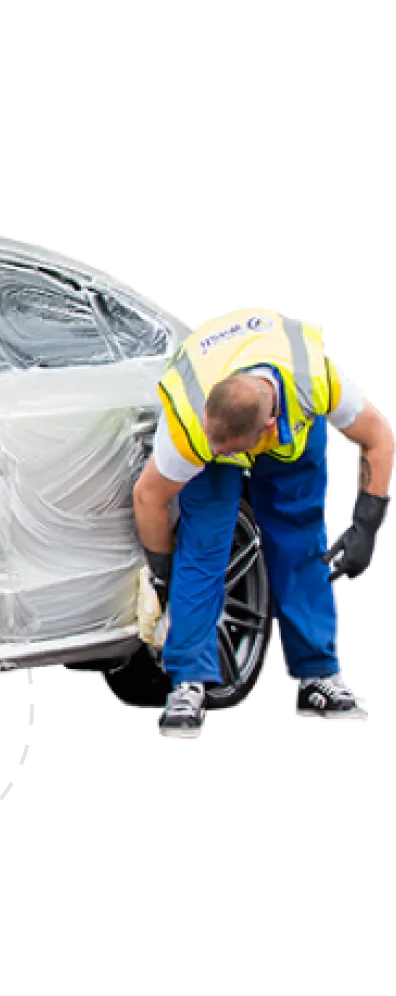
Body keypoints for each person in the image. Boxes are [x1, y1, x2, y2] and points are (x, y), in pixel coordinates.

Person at [132, 303, 391, 742]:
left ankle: (318, 674)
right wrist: (162, 574)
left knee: (302, 536)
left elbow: (378, 437)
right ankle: (188, 684)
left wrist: (365, 526)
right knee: (204, 545)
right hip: (220, 400)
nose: (223, 455)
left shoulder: (316, 381)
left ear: (269, 428)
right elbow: (148, 497)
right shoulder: (191, 422)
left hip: (291, 419)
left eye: (232, 451)